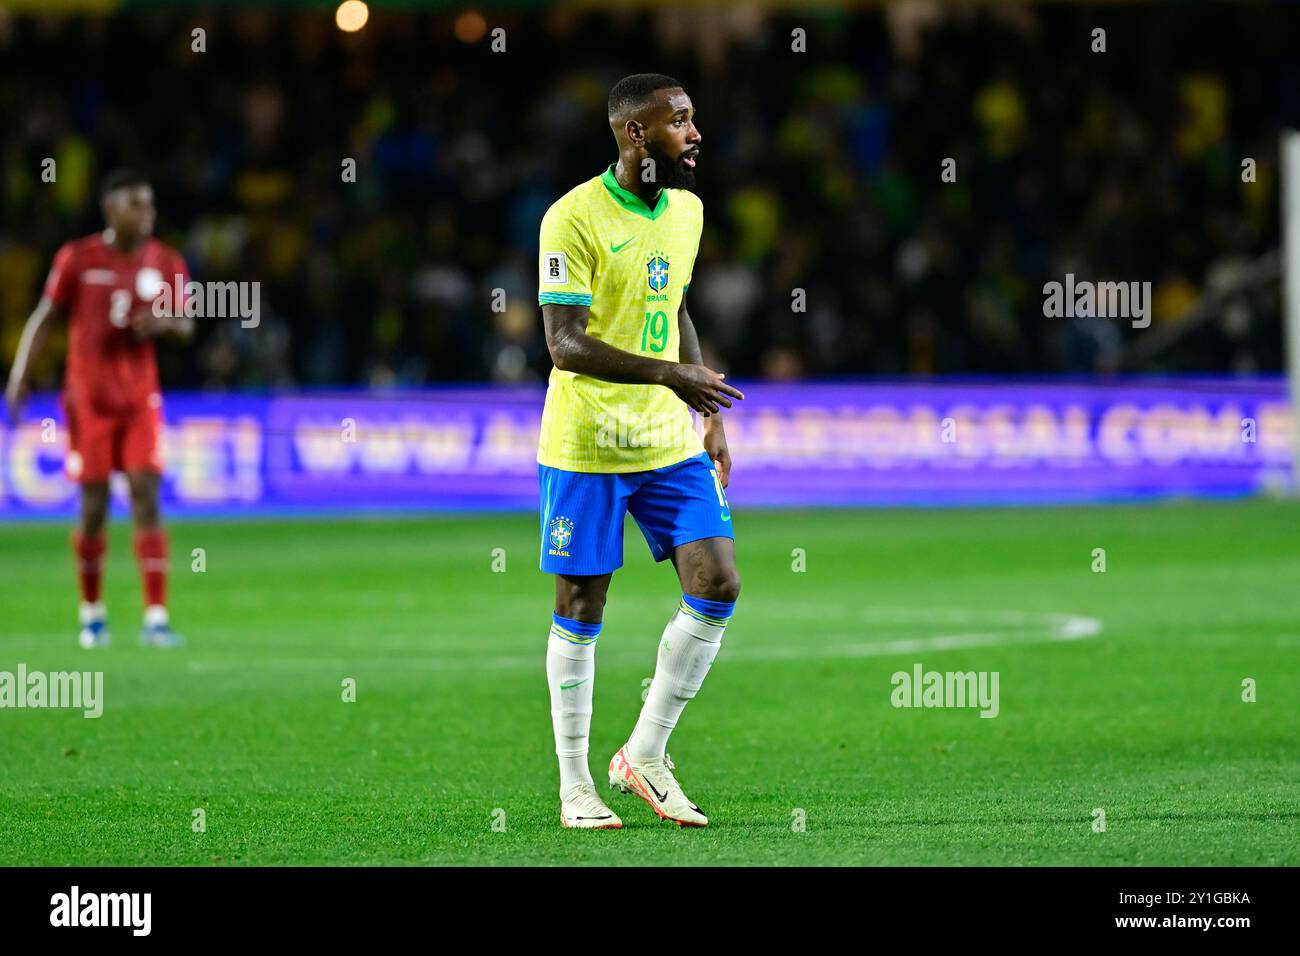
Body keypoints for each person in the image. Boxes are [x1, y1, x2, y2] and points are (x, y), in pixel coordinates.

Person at [537, 74, 744, 829]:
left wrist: (704, 405)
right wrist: (670, 372)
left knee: (717, 581)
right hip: (587, 442)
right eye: (680, 121)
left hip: (666, 437)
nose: (695, 133)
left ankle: (644, 755)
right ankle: (575, 785)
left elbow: (674, 303)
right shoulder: (572, 218)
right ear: (636, 134)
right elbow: (563, 344)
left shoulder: (685, 210)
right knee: (582, 604)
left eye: (693, 118)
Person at [5, 169, 193, 648]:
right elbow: (46, 316)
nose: (147, 214)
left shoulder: (166, 261)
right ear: (112, 210)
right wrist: (20, 373)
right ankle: (92, 612)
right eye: (136, 205)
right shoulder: (78, 259)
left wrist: (165, 323)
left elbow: (188, 323)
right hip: (88, 401)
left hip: (139, 401)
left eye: (149, 204)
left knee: (145, 495)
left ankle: (156, 616)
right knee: (93, 507)